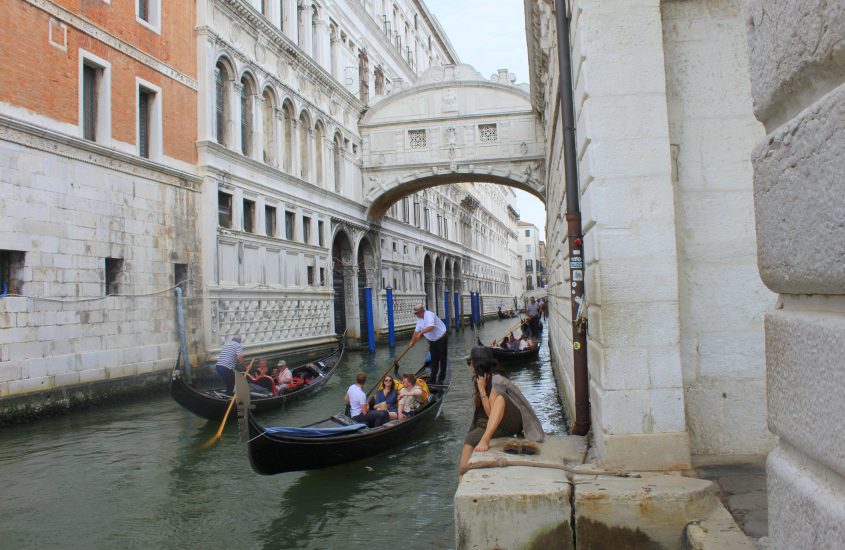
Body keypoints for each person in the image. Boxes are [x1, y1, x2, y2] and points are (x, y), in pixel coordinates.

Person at [459, 346, 544, 473]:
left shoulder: (496, 380)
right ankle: (462, 471)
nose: (469, 365)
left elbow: (490, 412)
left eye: (470, 362)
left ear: (477, 363)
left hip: (512, 422)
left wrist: (482, 391)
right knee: (470, 437)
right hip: (499, 421)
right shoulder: (483, 379)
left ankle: (485, 440)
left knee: (500, 397)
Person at [409, 303, 448, 384]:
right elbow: (416, 331)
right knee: (434, 359)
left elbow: (430, 327)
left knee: (442, 359)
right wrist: (412, 342)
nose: (416, 315)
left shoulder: (429, 315)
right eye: (415, 314)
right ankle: (433, 379)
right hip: (432, 341)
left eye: (416, 313)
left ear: (421, 311)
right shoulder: (419, 319)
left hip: (441, 338)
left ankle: (441, 378)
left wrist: (421, 333)